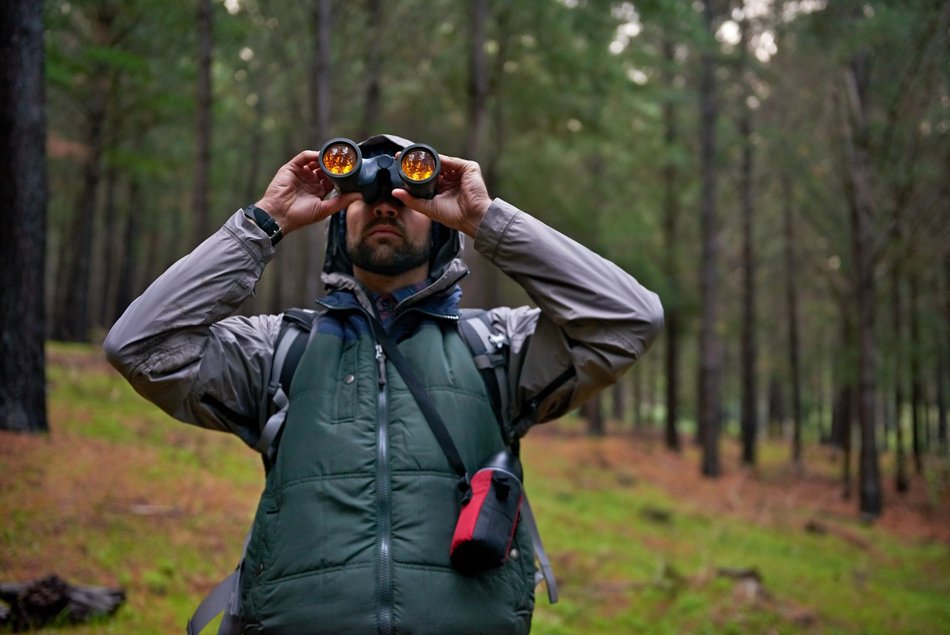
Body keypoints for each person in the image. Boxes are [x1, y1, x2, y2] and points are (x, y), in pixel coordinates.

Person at [104, 134, 663, 634]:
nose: (384, 205)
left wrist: (486, 220)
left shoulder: (496, 349)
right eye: (364, 198)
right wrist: (264, 222)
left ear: (440, 226)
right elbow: (141, 347)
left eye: (405, 196)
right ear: (335, 223)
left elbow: (629, 320)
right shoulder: (279, 350)